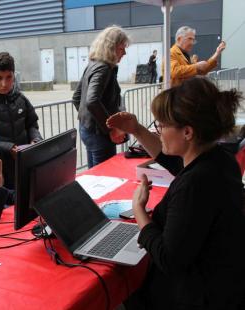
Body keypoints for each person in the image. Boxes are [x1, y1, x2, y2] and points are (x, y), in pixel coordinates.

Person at [106, 77, 245, 310]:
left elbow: (168, 259)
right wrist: (137, 130)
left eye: (161, 125)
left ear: (188, 132)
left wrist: (139, 210)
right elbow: (174, 162)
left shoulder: (195, 185)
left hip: (193, 296)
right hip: (225, 284)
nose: (158, 131)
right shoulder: (219, 160)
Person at [72, 25, 128, 168]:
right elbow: (91, 101)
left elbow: (77, 97)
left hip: (88, 130)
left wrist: (89, 120)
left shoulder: (94, 64)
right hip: (98, 135)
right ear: (111, 47)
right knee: (104, 178)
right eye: (122, 48)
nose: (125, 53)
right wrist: (111, 129)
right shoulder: (103, 68)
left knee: (94, 176)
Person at [0, 52, 42, 158]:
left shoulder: (21, 99)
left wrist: (36, 139)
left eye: (9, 77)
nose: (4, 84)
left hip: (25, 160)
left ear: (14, 76)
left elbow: (32, 124)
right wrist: (7, 148)